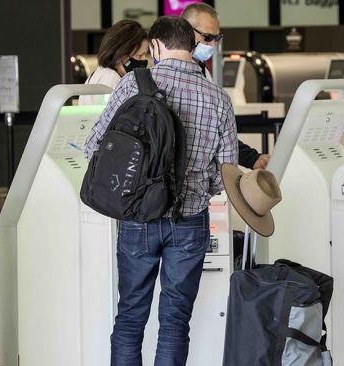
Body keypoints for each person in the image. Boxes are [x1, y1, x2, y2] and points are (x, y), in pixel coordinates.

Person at [84, 16, 237, 366]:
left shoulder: (134, 84)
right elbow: (225, 171)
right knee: (174, 322)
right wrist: (199, 188)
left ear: (155, 46)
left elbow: (95, 143)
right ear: (192, 46)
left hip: (138, 217)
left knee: (130, 318)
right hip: (190, 221)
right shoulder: (218, 98)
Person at [181, 2, 270, 170]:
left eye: (217, 38)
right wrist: (252, 158)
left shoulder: (202, 70)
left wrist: (253, 159)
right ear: (186, 31)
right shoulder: (176, 74)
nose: (213, 45)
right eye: (207, 37)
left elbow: (217, 128)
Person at [79, 20, 148, 105]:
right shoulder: (111, 80)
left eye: (145, 55)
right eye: (139, 56)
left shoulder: (101, 72)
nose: (144, 60)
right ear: (120, 55)